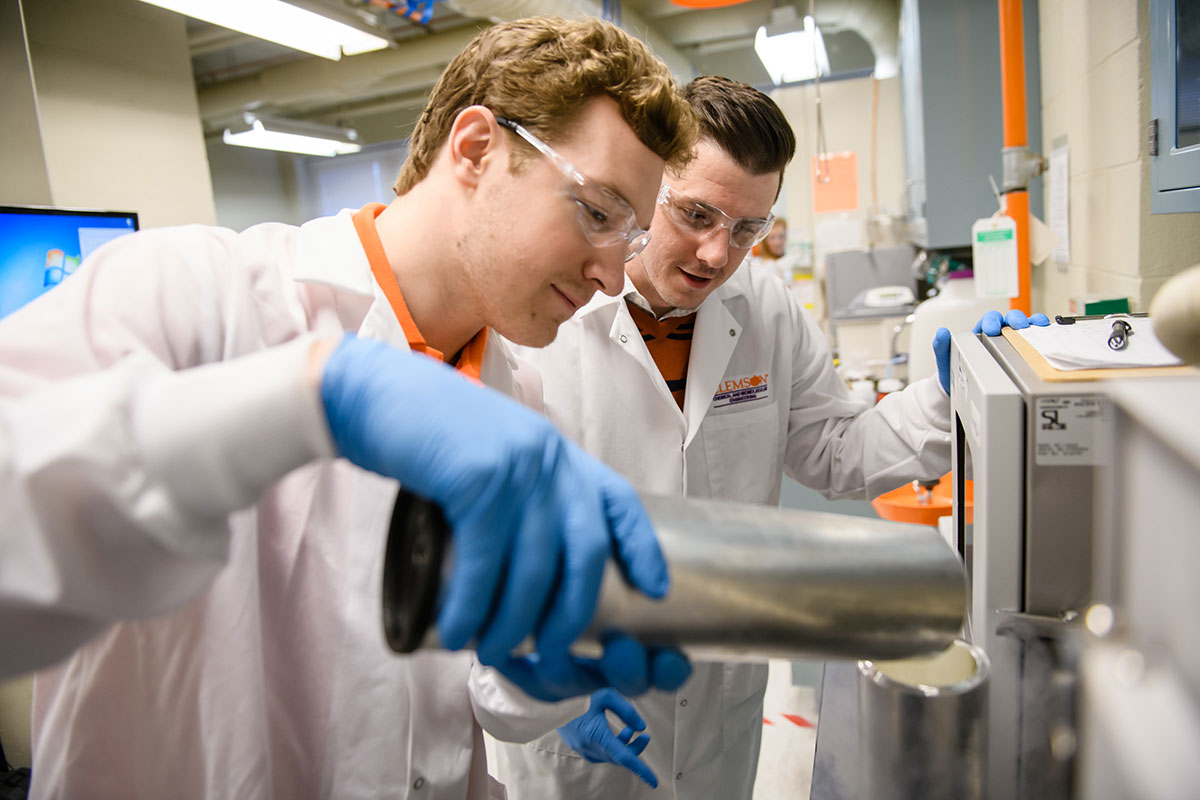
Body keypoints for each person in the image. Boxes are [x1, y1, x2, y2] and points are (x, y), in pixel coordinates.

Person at [0, 17, 700, 798]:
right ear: (475, 149)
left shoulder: (517, 400)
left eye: (630, 237)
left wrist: (537, 680)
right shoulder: (190, 292)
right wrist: (306, 399)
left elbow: (431, 690)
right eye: (597, 213)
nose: (612, 278)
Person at [469, 76, 1047, 798]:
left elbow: (837, 454)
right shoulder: (542, 321)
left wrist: (948, 395)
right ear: (649, 186)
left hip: (719, 703)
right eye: (696, 214)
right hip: (574, 701)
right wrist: (547, 699)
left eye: (748, 228)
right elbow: (482, 540)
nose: (717, 254)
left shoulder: (767, 308)